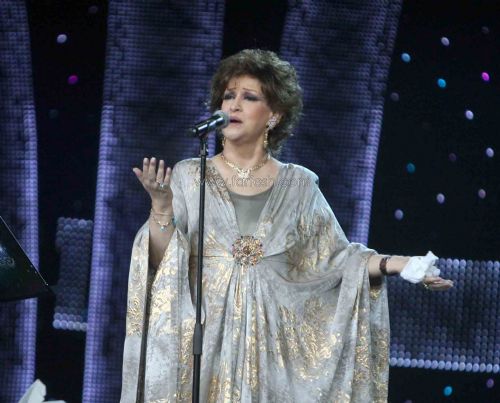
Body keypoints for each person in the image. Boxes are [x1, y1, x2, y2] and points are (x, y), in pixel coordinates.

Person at [120, 49, 453, 402]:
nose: (233, 105)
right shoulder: (190, 175)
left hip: (270, 352)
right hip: (202, 345)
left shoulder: (298, 185)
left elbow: (337, 260)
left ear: (274, 115)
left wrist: (401, 264)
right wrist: (161, 208)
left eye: (249, 97)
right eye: (228, 96)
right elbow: (161, 261)